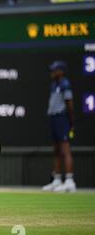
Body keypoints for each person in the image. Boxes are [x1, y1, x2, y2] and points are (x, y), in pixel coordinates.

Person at [42, 61, 76, 192]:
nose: (52, 73)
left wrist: (71, 122)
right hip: (54, 119)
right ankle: (56, 180)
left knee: (65, 150)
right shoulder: (54, 85)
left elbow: (69, 104)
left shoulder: (64, 84)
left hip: (62, 118)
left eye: (55, 70)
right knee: (56, 150)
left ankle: (69, 180)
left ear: (61, 71)